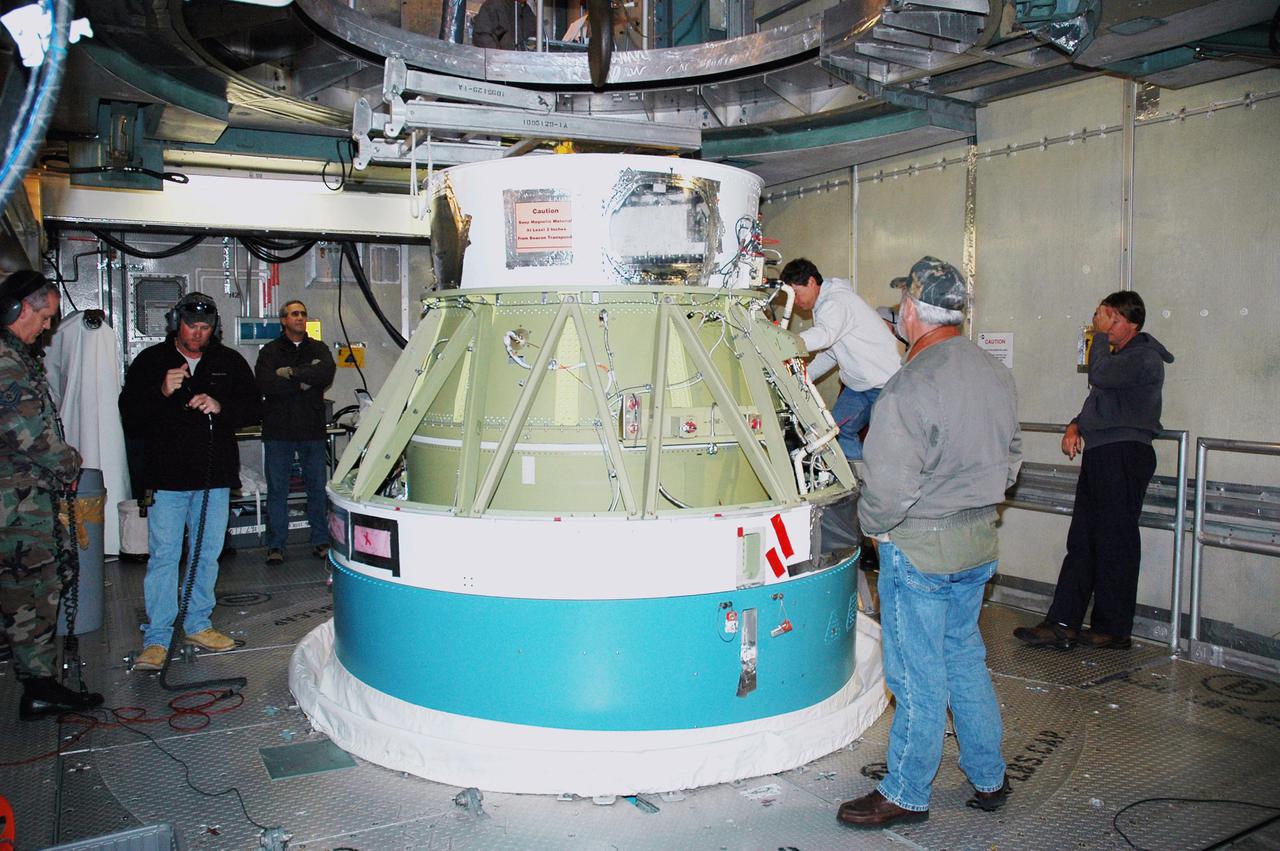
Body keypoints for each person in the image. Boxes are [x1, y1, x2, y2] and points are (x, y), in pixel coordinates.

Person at [838, 256, 1022, 828]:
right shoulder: (993, 372)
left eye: (902, 304)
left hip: (920, 551)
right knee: (963, 657)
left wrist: (872, 526)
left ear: (912, 310)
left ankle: (907, 792)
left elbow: (889, 490)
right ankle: (989, 778)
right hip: (977, 545)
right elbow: (1012, 461)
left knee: (916, 675)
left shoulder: (910, 385)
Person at [1014, 291, 1173, 651]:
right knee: (1083, 540)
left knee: (1115, 541)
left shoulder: (1144, 358)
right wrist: (1075, 425)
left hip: (1123, 455)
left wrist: (1097, 336)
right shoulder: (1121, 360)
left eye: (1112, 319)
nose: (1105, 325)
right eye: (1103, 318)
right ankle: (1063, 622)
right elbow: (1102, 402)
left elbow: (1100, 374)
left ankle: (1113, 629)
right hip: (1102, 454)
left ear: (1133, 324)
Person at [119, 293, 260, 672]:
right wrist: (162, 392)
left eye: (205, 328)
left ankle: (198, 622)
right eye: (191, 326)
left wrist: (222, 407)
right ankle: (158, 636)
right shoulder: (151, 362)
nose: (198, 334)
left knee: (206, 553)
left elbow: (255, 407)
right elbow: (130, 415)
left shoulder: (228, 362)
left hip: (214, 479)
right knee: (165, 556)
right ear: (175, 323)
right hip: (167, 480)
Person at [0, 271, 104, 720]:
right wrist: (70, 461)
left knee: (26, 593)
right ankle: (38, 687)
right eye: (44, 318)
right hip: (16, 509)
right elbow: (31, 439)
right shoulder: (6, 362)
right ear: (20, 309)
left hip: (22, 501)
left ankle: (38, 683)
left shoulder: (16, 357)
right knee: (32, 592)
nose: (46, 328)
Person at [780, 258, 901, 462]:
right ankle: (859, 478)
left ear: (811, 282)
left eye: (796, 294)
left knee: (890, 443)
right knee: (837, 432)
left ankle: (878, 481)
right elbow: (831, 352)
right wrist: (803, 377)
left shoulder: (836, 301)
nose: (796, 302)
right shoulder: (826, 305)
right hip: (859, 385)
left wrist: (781, 342)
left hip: (884, 385)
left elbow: (824, 336)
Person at [254, 300, 336, 565]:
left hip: (311, 430)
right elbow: (266, 384)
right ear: (283, 320)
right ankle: (275, 545)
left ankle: (321, 541)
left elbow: (325, 373)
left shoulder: (319, 349)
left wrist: (290, 373)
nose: (300, 318)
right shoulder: (270, 351)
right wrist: (303, 382)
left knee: (316, 488)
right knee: (278, 490)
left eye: (303, 313)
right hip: (279, 431)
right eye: (294, 314)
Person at [472, 0, 537, 50]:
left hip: (521, 62)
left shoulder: (526, 10)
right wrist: (498, 56)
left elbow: (534, 36)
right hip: (498, 62)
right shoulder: (493, 5)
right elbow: (481, 36)